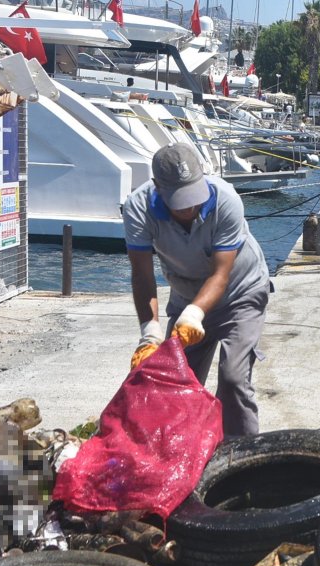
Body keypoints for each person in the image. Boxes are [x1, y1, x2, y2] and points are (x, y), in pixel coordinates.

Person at [124, 144, 270, 436]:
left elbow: (221, 274)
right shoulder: (138, 208)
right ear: (157, 187)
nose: (188, 208)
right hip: (185, 294)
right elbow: (142, 276)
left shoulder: (226, 199)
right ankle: (179, 450)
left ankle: (242, 455)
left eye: (192, 197)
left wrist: (195, 313)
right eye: (179, 201)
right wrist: (149, 331)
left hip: (240, 292)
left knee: (233, 379)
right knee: (172, 380)